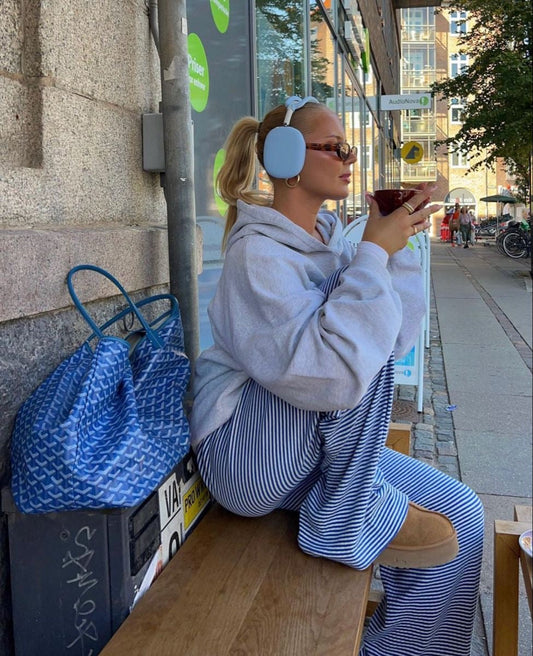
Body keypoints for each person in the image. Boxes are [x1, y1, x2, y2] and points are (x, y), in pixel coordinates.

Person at [190, 97, 483, 656]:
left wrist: (395, 249)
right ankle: (344, 518)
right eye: (335, 147)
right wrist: (370, 255)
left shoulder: (331, 241)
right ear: (287, 158)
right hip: (248, 459)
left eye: (349, 148)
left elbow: (393, 342)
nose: (350, 158)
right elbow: (333, 376)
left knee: (463, 516)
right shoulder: (256, 256)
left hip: (309, 452)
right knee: (350, 330)